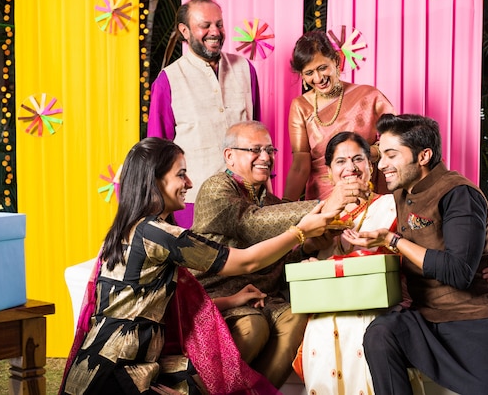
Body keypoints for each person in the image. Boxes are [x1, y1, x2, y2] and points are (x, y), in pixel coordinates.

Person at [59, 137, 336, 395]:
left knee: (217, 373)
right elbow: (247, 260)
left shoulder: (128, 230)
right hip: (116, 375)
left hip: (104, 365)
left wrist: (231, 300)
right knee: (214, 374)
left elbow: (152, 303)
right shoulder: (157, 234)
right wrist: (299, 232)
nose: (190, 182)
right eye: (181, 174)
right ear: (154, 181)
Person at [343, 114, 488, 395]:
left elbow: (459, 272)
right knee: (381, 333)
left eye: (391, 155)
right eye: (380, 155)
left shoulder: (460, 194)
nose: (381, 164)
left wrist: (392, 239)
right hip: (424, 316)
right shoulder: (401, 192)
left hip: (469, 319)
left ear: (423, 155)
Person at [190, 121, 367, 388]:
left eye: (270, 150)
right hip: (219, 293)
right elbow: (250, 224)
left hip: (263, 298)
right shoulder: (216, 188)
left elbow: (279, 261)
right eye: (255, 150)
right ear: (230, 156)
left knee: (297, 316)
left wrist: (309, 247)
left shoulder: (271, 202)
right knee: (252, 327)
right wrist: (324, 204)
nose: (266, 158)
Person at [293, 131, 401, 395]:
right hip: (323, 305)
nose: (350, 168)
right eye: (340, 162)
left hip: (373, 301)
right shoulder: (318, 215)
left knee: (358, 326)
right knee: (321, 329)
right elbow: (297, 253)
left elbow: (390, 258)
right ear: (329, 172)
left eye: (358, 159)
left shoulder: (391, 205)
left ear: (370, 167)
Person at [148, 0, 260, 228]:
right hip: (193, 201)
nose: (215, 32)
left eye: (219, 24)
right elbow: (158, 150)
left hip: (247, 197)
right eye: (205, 26)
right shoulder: (168, 80)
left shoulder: (245, 69)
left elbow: (258, 134)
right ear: (184, 31)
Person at [283, 30, 395, 202]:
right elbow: (300, 166)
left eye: (322, 68)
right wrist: (285, 207)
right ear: (302, 75)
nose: (318, 78)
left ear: (336, 61)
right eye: (309, 72)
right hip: (323, 201)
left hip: (367, 192)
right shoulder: (301, 106)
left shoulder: (368, 95)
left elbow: (398, 141)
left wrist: (369, 153)